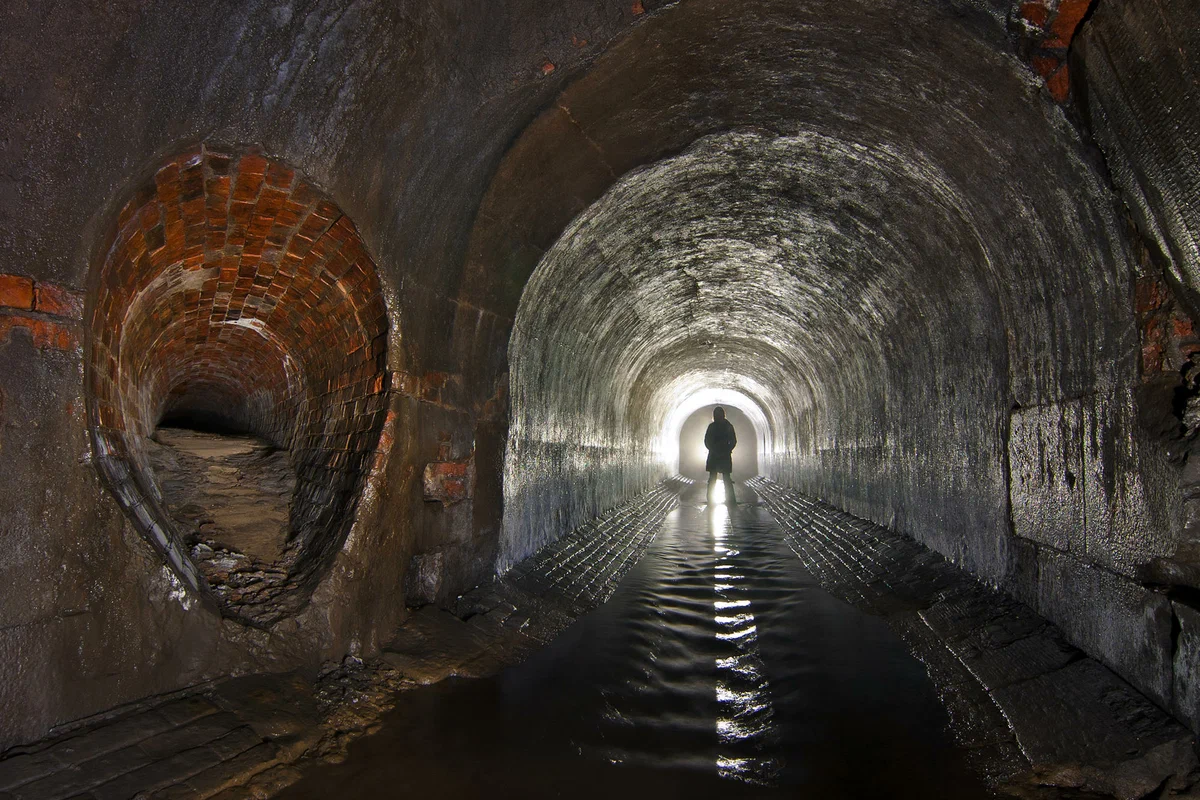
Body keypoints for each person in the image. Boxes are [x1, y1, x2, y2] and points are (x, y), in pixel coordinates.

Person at [704, 406, 737, 505]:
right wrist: (727, 449)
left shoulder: (712, 427)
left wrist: (713, 449)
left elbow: (707, 441)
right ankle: (730, 500)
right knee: (725, 478)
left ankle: (711, 500)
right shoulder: (728, 426)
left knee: (714, 478)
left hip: (715, 455)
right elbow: (733, 441)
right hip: (724, 455)